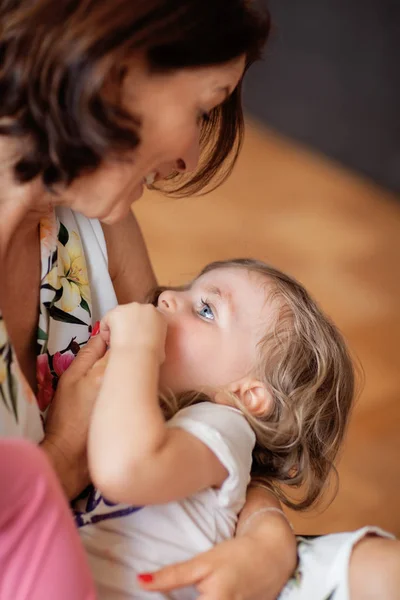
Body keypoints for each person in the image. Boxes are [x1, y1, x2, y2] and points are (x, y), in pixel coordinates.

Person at [0, 1, 399, 599]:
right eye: (203, 108)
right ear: (117, 69)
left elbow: (207, 419)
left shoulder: (93, 217)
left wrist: (267, 537)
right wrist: (62, 457)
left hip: (143, 550)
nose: (188, 156)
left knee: (377, 565)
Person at [80, 257, 358, 599]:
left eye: (206, 310)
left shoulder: (223, 426)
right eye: (186, 289)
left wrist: (136, 347)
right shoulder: (153, 411)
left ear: (247, 395)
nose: (166, 295)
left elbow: (126, 469)